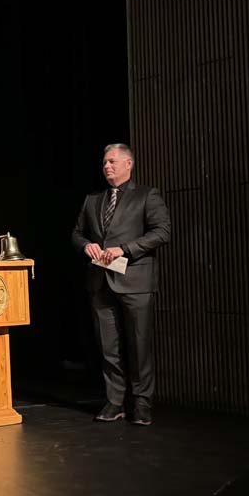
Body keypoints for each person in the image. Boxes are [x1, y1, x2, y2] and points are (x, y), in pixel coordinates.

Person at [71, 144, 171, 426]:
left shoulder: (146, 195)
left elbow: (162, 231)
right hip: (100, 281)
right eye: (104, 163)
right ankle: (114, 401)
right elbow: (77, 233)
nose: (107, 167)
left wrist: (125, 249)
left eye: (113, 162)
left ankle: (141, 402)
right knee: (108, 346)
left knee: (139, 345)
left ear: (129, 164)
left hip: (135, 281)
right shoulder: (93, 199)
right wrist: (86, 245)